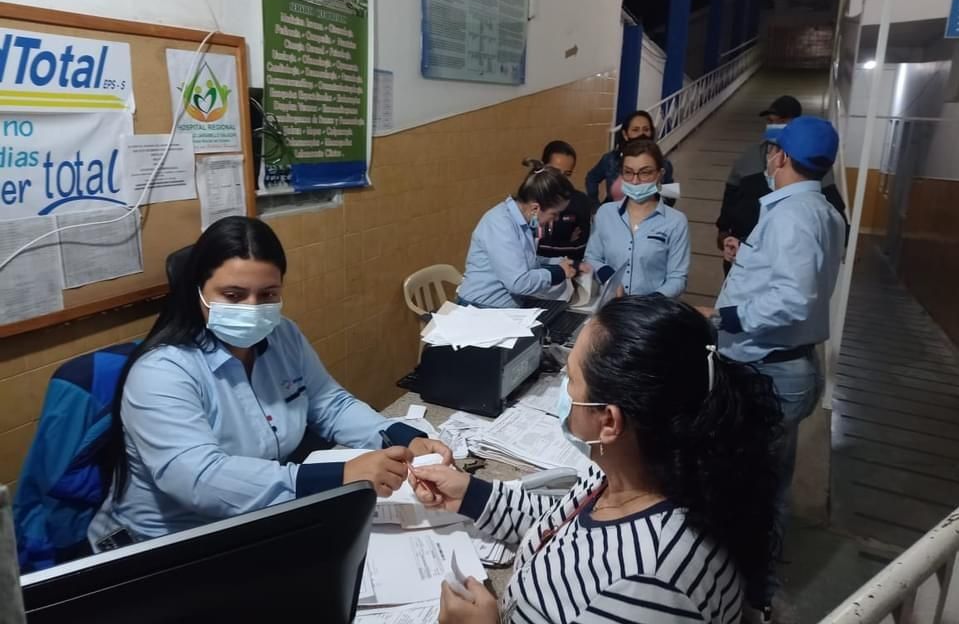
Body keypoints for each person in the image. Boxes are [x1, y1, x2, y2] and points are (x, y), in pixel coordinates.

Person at [411, 295, 782, 624]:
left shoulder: (649, 584)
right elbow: (561, 530)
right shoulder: (622, 472)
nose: (562, 391)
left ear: (609, 421)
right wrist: (471, 495)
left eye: (569, 380)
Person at [89, 216, 450, 549]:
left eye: (268, 295)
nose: (252, 308)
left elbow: (328, 403)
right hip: (166, 543)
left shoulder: (282, 335)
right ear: (197, 291)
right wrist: (336, 475)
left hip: (253, 521)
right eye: (232, 295)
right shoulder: (162, 371)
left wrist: (402, 436)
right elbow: (199, 480)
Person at [698, 116, 846, 616]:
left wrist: (724, 316)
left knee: (755, 485)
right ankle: (752, 578)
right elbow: (795, 277)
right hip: (786, 365)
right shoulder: (822, 211)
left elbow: (793, 300)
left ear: (780, 157)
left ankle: (750, 591)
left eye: (773, 150)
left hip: (769, 372)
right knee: (767, 478)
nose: (769, 157)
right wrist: (749, 259)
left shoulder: (791, 217)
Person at [716, 96, 847, 273]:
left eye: (782, 122)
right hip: (743, 247)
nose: (774, 126)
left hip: (778, 258)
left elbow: (792, 292)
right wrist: (724, 229)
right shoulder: (749, 156)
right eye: (770, 121)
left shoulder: (807, 164)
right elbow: (731, 193)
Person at [458, 160, 586, 308]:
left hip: (507, 306)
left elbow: (526, 259)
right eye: (554, 214)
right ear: (535, 208)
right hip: (480, 308)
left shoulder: (522, 222)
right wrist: (557, 273)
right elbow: (518, 283)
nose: (556, 219)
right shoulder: (500, 224)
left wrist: (564, 262)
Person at [584, 139, 690, 297]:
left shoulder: (676, 221)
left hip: (651, 312)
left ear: (660, 174)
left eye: (645, 172)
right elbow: (592, 257)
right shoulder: (606, 213)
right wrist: (609, 277)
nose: (635, 180)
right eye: (628, 172)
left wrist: (650, 302)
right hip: (611, 306)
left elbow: (677, 277)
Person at [585, 110, 675, 210]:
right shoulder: (610, 160)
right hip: (613, 219)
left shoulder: (664, 164)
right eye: (635, 130)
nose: (642, 134)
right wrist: (595, 207)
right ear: (625, 134)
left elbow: (671, 197)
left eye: (646, 129)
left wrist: (655, 187)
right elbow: (591, 178)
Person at [535, 140, 592, 262]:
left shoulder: (580, 201)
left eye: (567, 174)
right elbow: (529, 250)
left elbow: (580, 248)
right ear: (542, 168)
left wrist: (544, 247)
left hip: (569, 271)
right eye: (555, 172)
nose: (560, 179)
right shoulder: (532, 199)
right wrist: (567, 244)